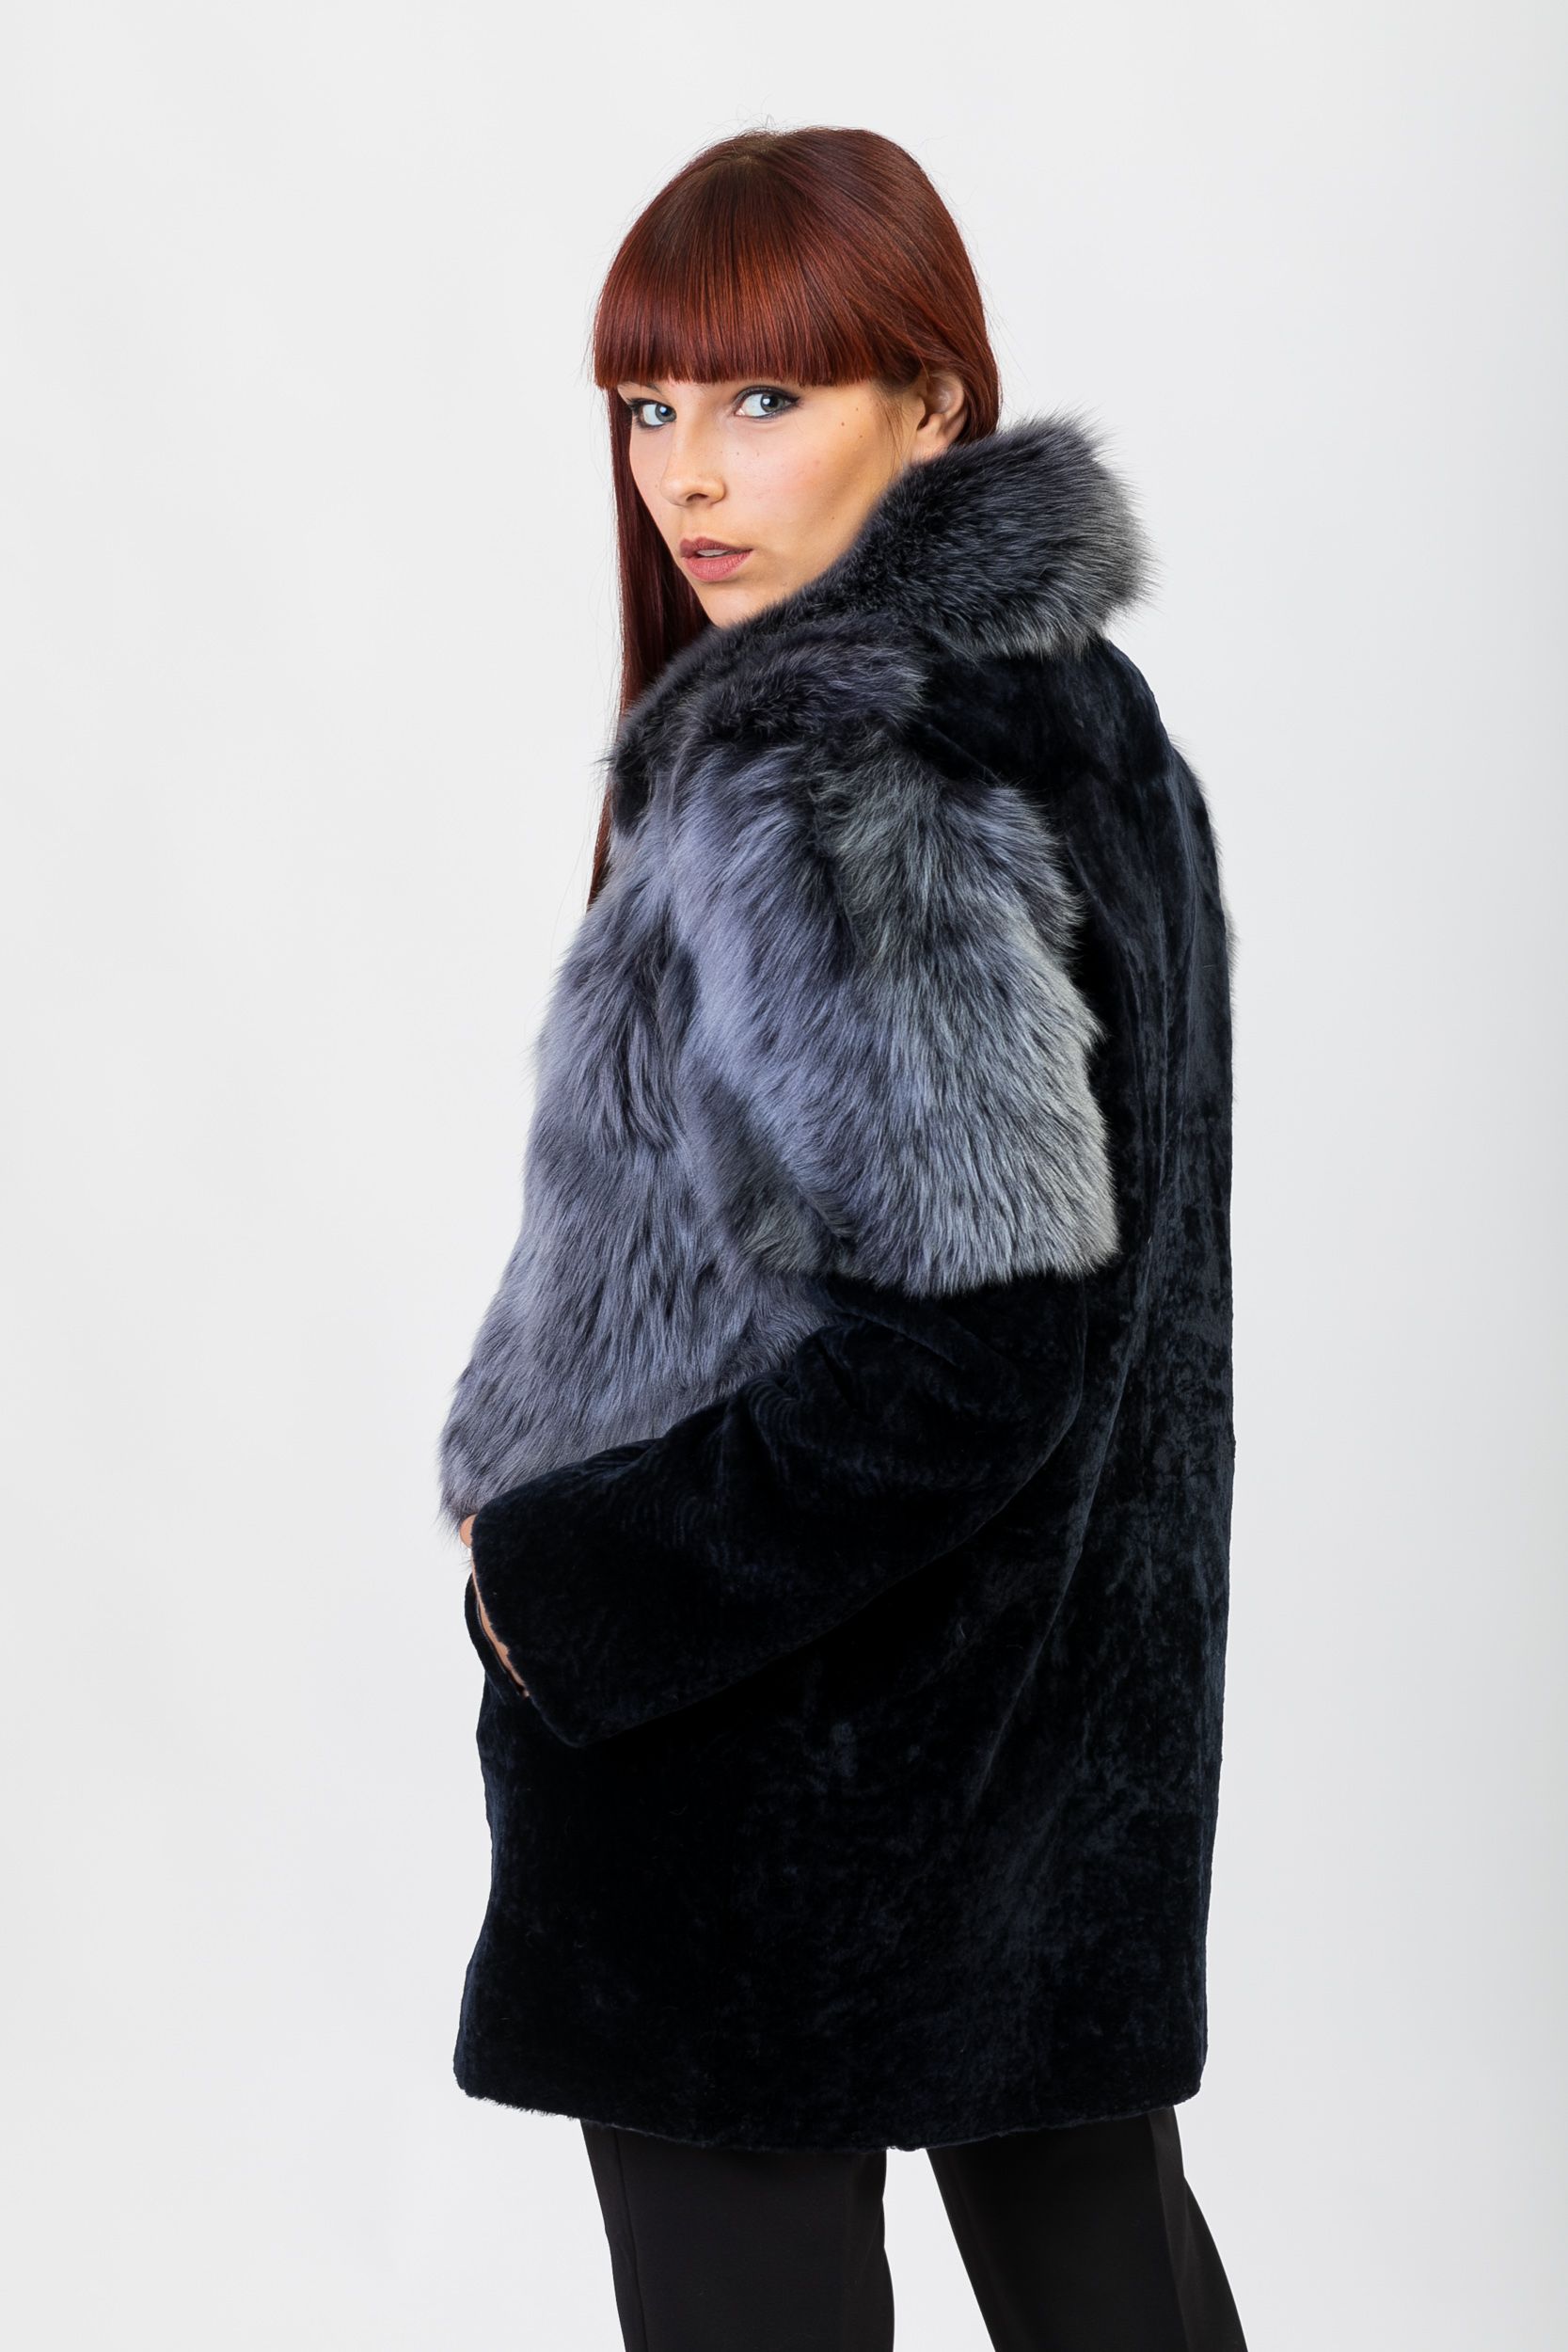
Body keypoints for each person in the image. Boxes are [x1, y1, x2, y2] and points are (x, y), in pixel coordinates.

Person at [436, 124, 1247, 2350]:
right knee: (1112, 2284)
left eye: (766, 396)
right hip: (1038, 1742)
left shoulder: (838, 759)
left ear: (935, 402)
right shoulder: (1079, 712)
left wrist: (565, 1579)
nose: (688, 472)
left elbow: (972, 1357)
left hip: (772, 1783)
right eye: (649, 403)